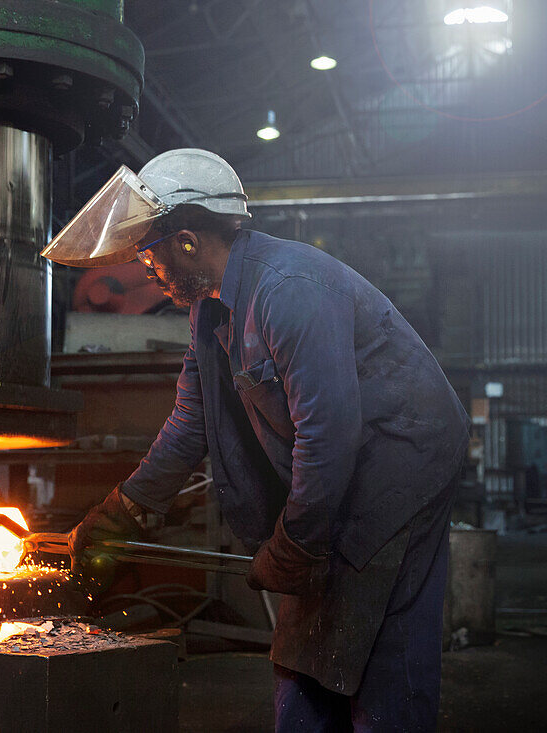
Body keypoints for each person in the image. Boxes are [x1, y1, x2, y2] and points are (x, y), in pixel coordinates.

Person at [42, 149, 470, 732]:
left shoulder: (288, 290)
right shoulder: (208, 311)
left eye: (150, 251)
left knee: (380, 651)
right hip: (343, 469)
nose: (146, 268)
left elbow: (328, 433)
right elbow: (191, 420)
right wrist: (123, 510)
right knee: (303, 647)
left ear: (187, 240)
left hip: (402, 462)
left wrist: (296, 543)